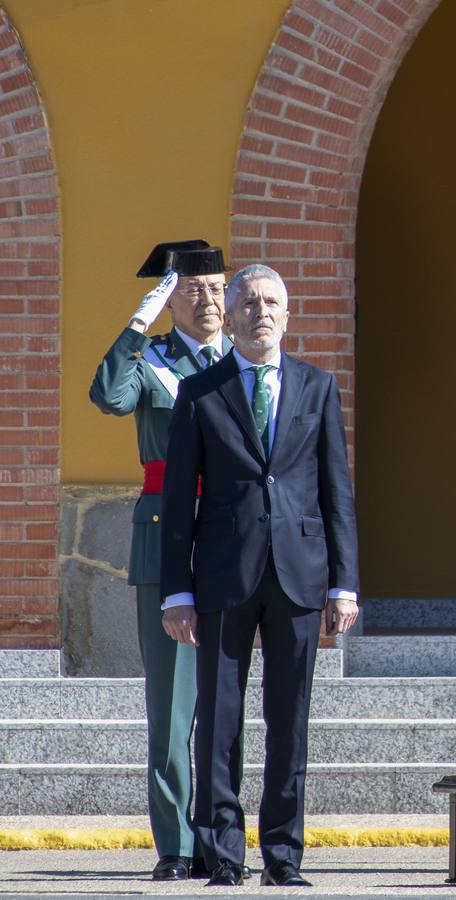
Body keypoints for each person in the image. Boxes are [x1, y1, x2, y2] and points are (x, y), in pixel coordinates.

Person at [160, 264, 359, 887]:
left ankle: (283, 854)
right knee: (219, 719)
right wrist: (176, 590)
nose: (261, 312)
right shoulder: (202, 392)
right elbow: (178, 500)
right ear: (231, 315)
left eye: (272, 303)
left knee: (289, 719)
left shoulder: (318, 387)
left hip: (300, 575)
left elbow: (337, 491)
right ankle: (223, 852)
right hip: (223, 576)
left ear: (287, 315)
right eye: (249, 302)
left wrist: (343, 583)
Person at [88, 240, 241, 881]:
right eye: (192, 290)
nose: (208, 300)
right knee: (173, 703)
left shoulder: (242, 361)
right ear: (168, 300)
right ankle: (177, 842)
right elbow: (109, 396)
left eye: (217, 288)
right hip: (165, 537)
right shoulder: (151, 360)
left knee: (225, 701)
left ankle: (221, 837)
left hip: (231, 537)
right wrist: (136, 324)